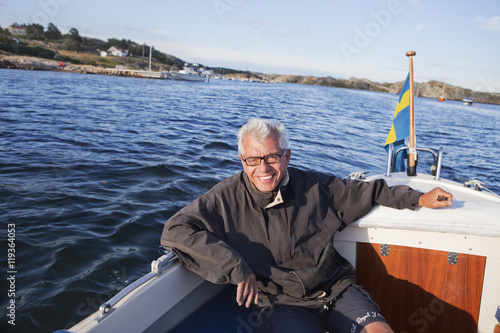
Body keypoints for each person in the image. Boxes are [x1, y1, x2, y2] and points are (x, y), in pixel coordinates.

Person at [161, 118, 453, 333]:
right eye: (253, 159)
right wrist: (234, 266)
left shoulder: (317, 187)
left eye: (272, 157)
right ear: (242, 160)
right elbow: (176, 230)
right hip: (281, 302)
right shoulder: (226, 198)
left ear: (287, 156)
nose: (263, 168)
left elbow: (369, 191)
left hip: (336, 290)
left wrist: (417, 198)